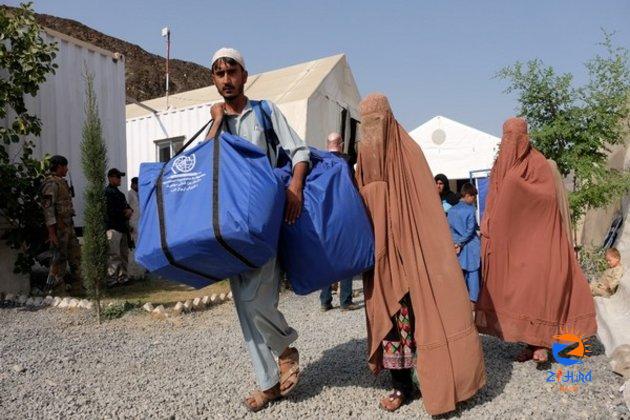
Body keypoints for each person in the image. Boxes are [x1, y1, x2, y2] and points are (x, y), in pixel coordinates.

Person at [355, 93, 485, 415]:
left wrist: (420, 255)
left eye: (378, 122)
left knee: (424, 318)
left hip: (413, 259)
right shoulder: (363, 158)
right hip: (379, 260)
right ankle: (401, 385)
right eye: (366, 124)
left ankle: (442, 380)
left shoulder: (410, 153)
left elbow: (426, 213)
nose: (373, 132)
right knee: (392, 325)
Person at [205, 48, 309, 412]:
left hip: (264, 221)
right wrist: (216, 122)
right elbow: (206, 164)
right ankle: (268, 384)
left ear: (244, 76)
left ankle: (285, 349)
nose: (226, 80)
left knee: (257, 300)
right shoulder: (215, 121)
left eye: (231, 72)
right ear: (214, 80)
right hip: (230, 228)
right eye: (219, 74)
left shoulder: (264, 111)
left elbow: (298, 151)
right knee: (244, 307)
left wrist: (294, 187)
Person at [475, 117, 596, 363]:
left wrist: (518, 190)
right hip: (512, 243)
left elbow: (547, 201)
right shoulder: (500, 166)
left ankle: (545, 343)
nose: (510, 143)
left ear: (525, 137)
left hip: (540, 240)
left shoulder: (539, 165)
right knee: (520, 292)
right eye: (506, 137)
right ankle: (531, 343)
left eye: (515, 136)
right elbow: (495, 203)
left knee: (541, 289)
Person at [319, 132, 360, 312]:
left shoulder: (320, 163)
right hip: (343, 214)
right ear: (341, 145)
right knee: (346, 258)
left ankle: (325, 301)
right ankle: (345, 301)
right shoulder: (346, 162)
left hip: (325, 216)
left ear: (327, 144)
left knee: (327, 258)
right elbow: (352, 187)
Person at [41, 155, 82, 294]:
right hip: (59, 229)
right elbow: (48, 209)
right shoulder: (51, 184)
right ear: (59, 167)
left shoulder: (61, 182)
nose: (67, 169)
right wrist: (52, 233)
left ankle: (79, 287)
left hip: (68, 227)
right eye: (65, 166)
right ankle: (57, 291)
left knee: (76, 256)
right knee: (59, 260)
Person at [447, 183, 481, 304]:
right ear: (467, 195)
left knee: (459, 275)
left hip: (456, 246)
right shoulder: (471, 210)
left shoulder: (450, 211)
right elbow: (471, 230)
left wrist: (456, 243)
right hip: (470, 246)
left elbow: (449, 229)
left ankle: (459, 301)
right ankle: (473, 303)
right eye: (473, 198)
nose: (474, 201)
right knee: (473, 274)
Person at [105, 168, 132, 287]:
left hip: (122, 227)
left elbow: (128, 207)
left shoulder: (120, 194)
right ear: (110, 178)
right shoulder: (107, 193)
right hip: (113, 227)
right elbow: (110, 211)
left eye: (120, 177)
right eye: (117, 177)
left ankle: (123, 277)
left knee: (124, 254)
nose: (120, 179)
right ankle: (112, 279)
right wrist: (124, 212)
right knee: (114, 255)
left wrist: (130, 210)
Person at [127, 177, 140, 244]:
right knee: (134, 242)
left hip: (138, 222)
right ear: (133, 184)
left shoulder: (137, 194)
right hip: (133, 223)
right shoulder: (129, 194)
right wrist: (129, 224)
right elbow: (126, 208)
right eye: (138, 184)